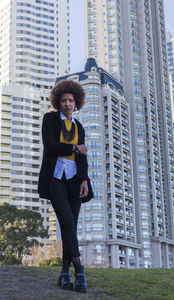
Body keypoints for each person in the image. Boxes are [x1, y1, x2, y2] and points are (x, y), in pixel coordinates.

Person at [38, 80, 93, 293]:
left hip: (74, 180)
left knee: (71, 225)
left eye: (71, 100)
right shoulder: (50, 119)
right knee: (67, 221)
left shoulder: (79, 127)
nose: (67, 104)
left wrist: (85, 180)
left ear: (76, 103)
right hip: (55, 178)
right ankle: (79, 268)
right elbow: (50, 145)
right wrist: (75, 148)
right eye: (64, 100)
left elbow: (83, 157)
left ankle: (64, 273)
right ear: (58, 103)